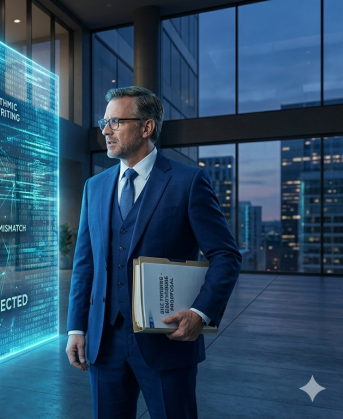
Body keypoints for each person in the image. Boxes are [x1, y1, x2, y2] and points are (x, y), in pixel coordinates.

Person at [65, 86, 241, 419]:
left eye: (115, 121)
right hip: (105, 342)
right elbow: (85, 264)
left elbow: (226, 254)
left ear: (147, 128)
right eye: (104, 122)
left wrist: (201, 313)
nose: (105, 130)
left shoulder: (188, 182)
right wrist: (77, 328)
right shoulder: (95, 186)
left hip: (168, 340)